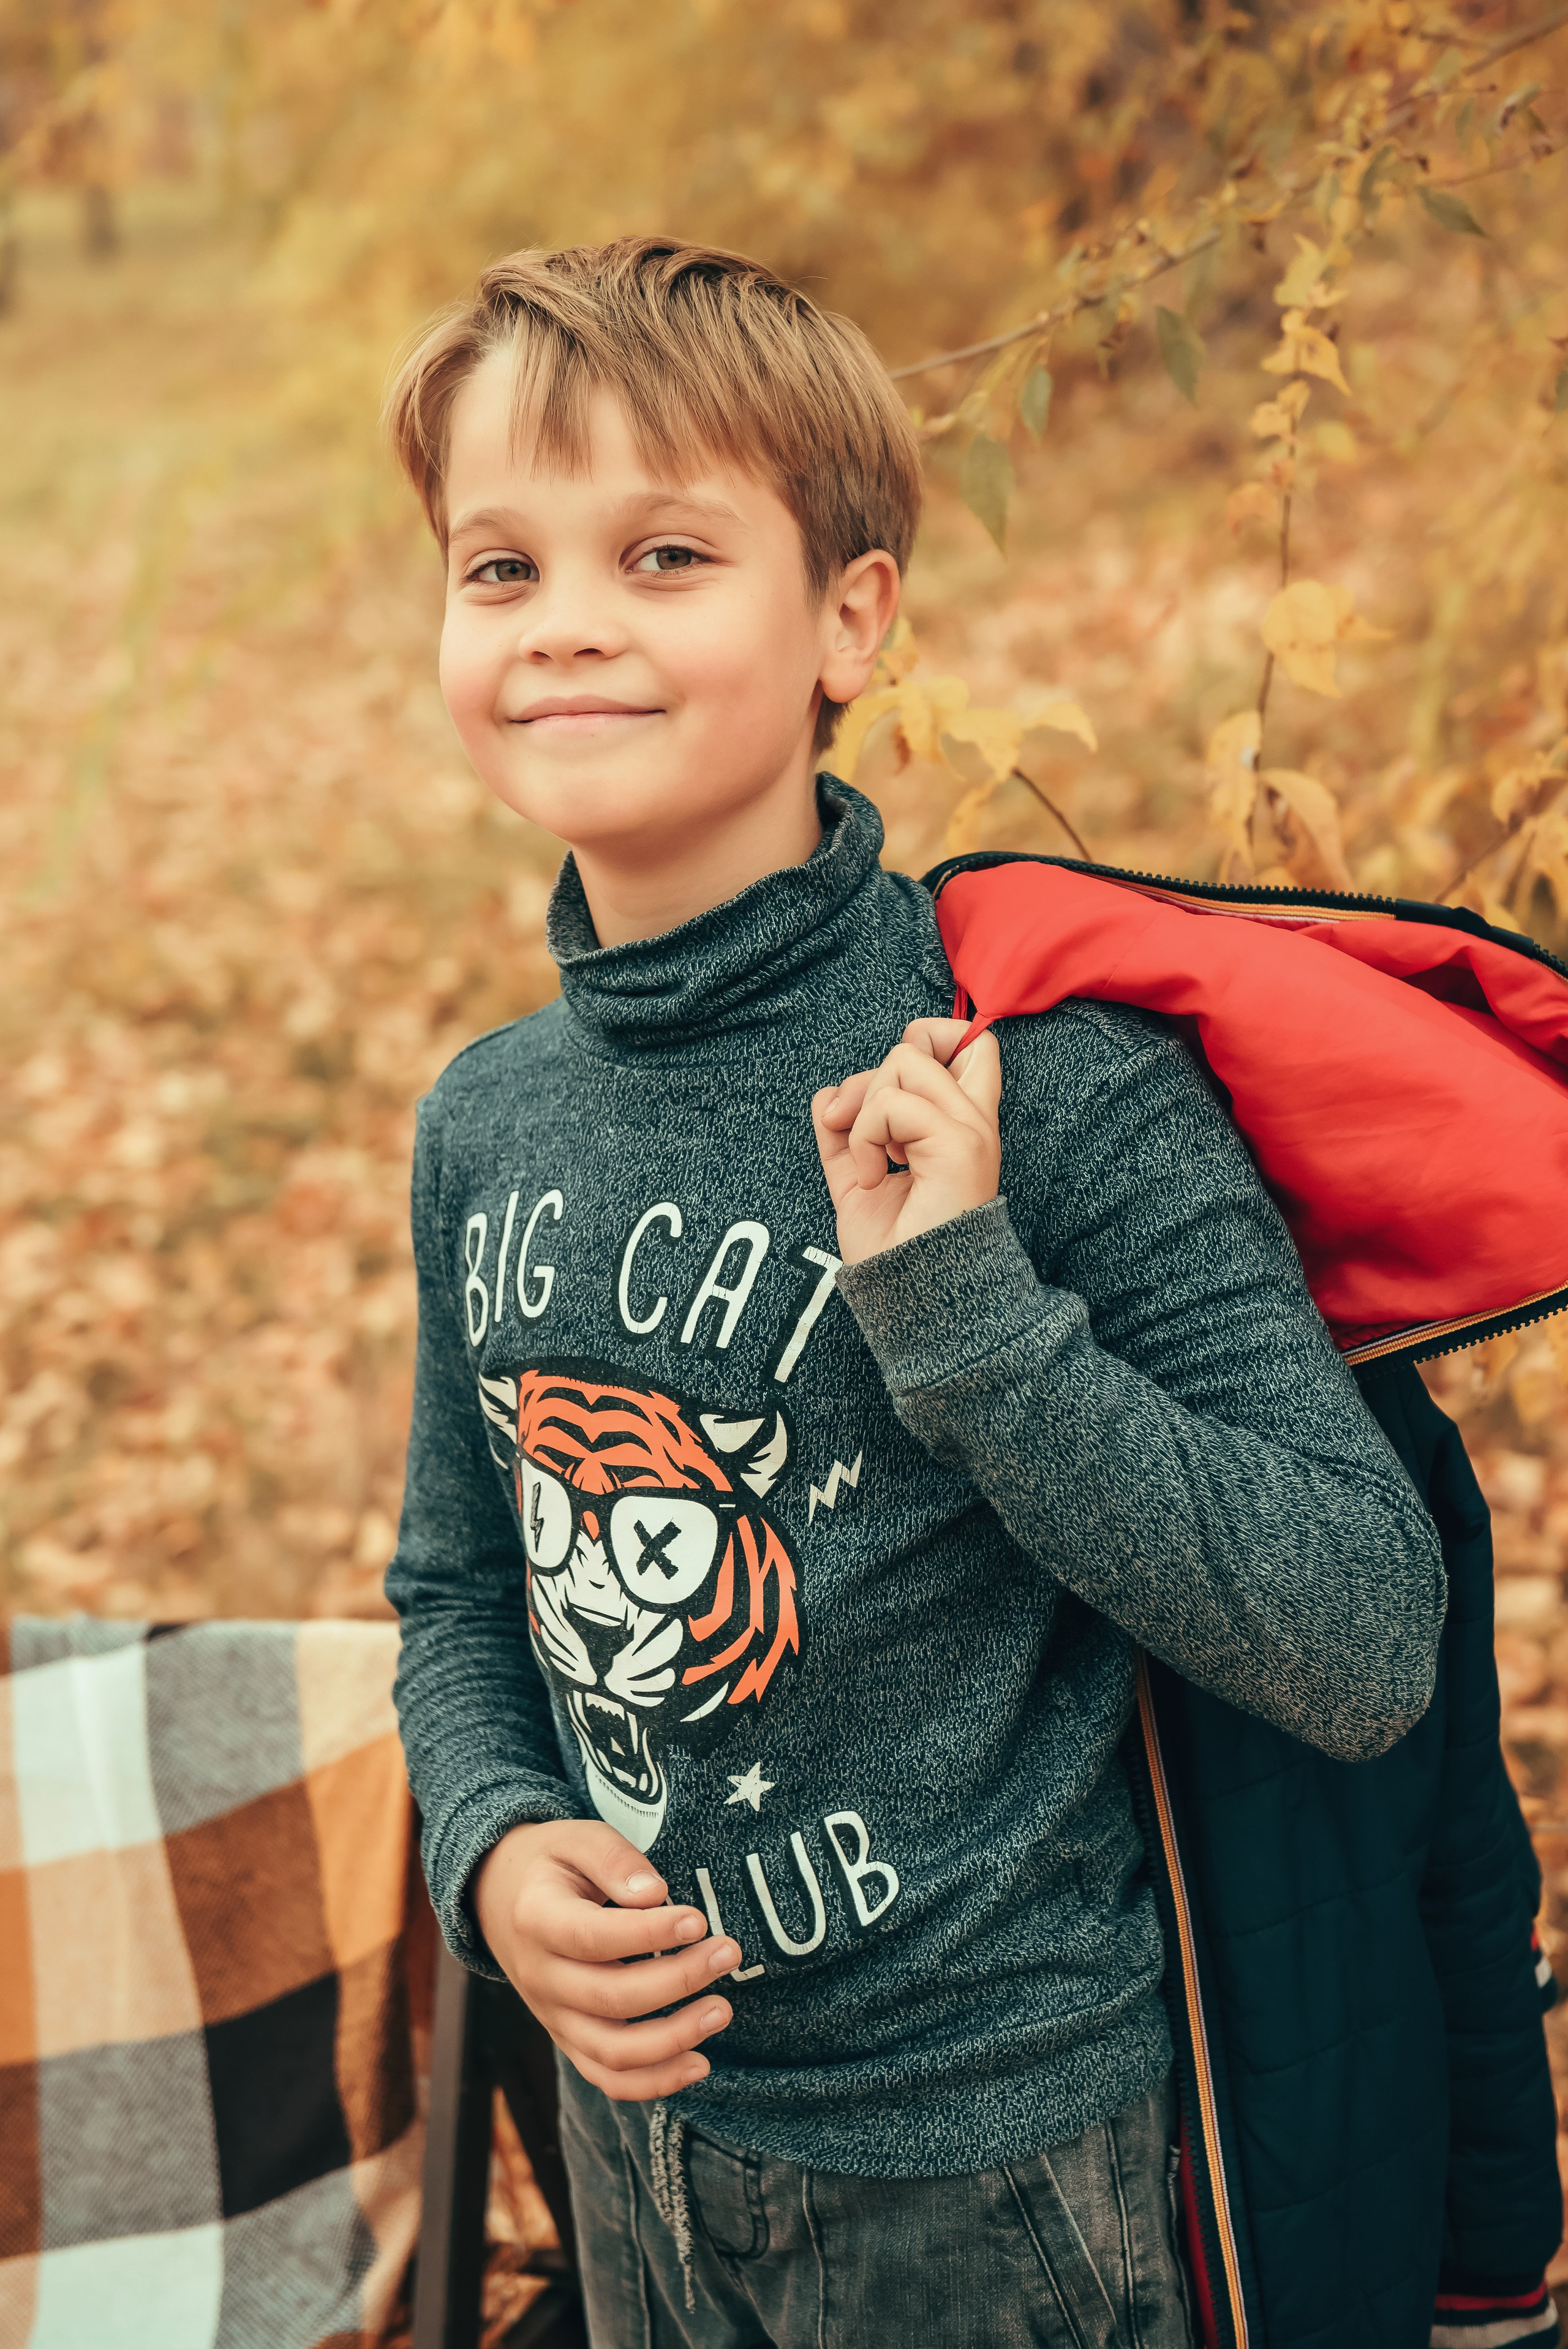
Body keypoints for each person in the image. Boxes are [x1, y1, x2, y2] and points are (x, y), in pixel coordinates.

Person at [382, 236, 1449, 2348]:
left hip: (993, 2196)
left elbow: (1363, 1630)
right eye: (499, 567)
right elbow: (453, 1591)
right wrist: (499, 1851)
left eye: (667, 552)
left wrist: (966, 1309)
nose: (569, 622)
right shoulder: (484, 1117)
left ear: (850, 616)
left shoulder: (1036, 1078)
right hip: (638, 2153)